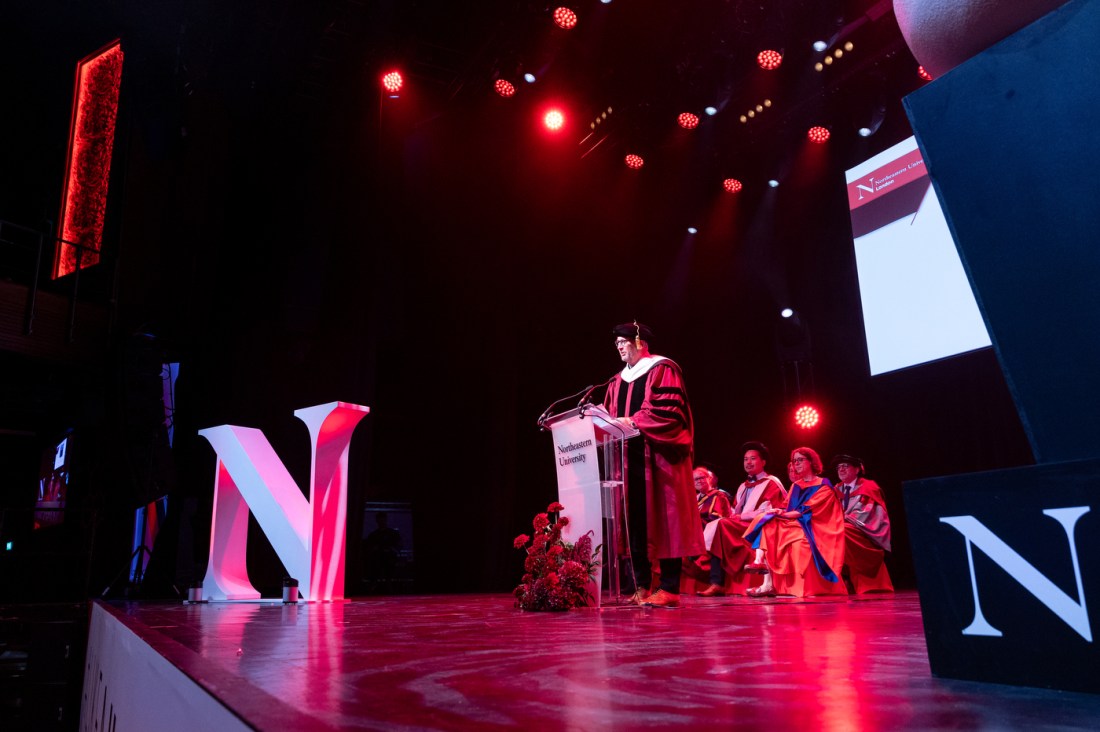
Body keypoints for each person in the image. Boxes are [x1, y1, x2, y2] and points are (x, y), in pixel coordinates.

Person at [604, 321, 703, 609]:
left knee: (665, 521)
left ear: (639, 341)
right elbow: (610, 418)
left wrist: (634, 421)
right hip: (627, 461)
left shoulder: (663, 369)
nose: (619, 346)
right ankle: (642, 586)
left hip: (658, 459)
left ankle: (670, 588)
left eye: (623, 341)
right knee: (633, 522)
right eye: (617, 344)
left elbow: (671, 413)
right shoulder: (615, 381)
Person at [743, 446, 846, 597]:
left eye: (800, 460)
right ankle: (760, 566)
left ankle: (768, 582)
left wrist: (782, 515)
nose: (796, 464)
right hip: (793, 522)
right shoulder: (796, 485)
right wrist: (778, 512)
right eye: (794, 461)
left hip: (812, 525)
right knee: (765, 520)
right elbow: (785, 506)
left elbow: (805, 510)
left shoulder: (824, 485)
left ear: (811, 462)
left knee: (773, 524)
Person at [697, 442, 787, 597]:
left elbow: (771, 510)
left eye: (753, 459)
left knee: (720, 524)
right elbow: (734, 510)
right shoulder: (742, 486)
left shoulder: (772, 483)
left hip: (758, 527)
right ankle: (715, 581)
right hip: (739, 525)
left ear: (763, 462)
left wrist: (741, 517)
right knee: (717, 524)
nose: (748, 462)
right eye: (746, 459)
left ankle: (716, 581)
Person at [832, 454, 894, 593]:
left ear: (857, 469)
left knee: (839, 531)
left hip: (863, 529)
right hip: (842, 525)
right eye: (839, 467)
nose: (841, 469)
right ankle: (842, 579)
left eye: (845, 466)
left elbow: (868, 512)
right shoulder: (836, 489)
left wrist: (841, 520)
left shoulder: (868, 487)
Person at [684, 465, 733, 594]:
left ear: (709, 478)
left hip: (713, 530)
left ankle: (716, 583)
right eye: (695, 479)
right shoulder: (694, 499)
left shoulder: (719, 496)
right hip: (696, 531)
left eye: (702, 478)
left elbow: (720, 517)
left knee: (715, 538)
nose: (699, 481)